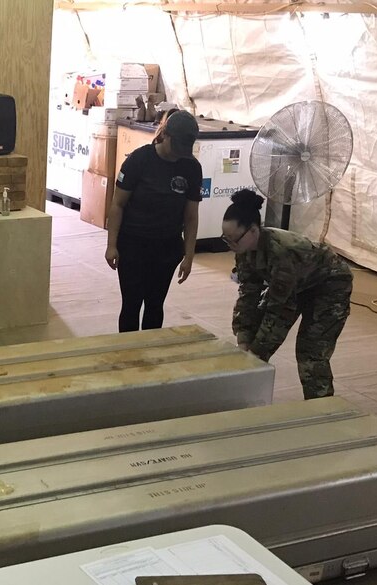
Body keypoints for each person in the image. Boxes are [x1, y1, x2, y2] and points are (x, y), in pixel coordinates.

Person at [221, 189, 353, 400]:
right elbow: (248, 294)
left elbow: (278, 311)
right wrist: (244, 337)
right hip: (298, 285)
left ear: (253, 231)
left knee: (311, 351)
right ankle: (248, 399)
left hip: (329, 285)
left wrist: (256, 351)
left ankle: (322, 408)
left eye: (234, 240)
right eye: (226, 240)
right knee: (254, 337)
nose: (231, 245)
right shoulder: (244, 251)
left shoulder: (282, 253)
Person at [105, 109, 202, 331]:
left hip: (167, 247)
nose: (180, 154)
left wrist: (189, 255)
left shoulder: (191, 167)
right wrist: (111, 245)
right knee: (131, 303)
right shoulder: (139, 160)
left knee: (155, 304)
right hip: (133, 244)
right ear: (165, 135)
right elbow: (117, 204)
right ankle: (129, 354)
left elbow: (191, 216)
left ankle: (151, 356)